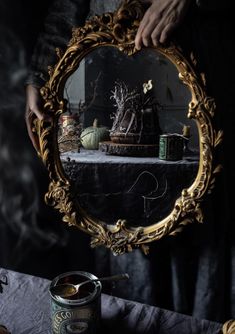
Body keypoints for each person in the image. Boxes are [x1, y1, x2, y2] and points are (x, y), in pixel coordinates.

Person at [24, 0, 234, 322]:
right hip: (107, 59)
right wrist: (39, 76)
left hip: (199, 81)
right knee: (128, 245)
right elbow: (65, 5)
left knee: (200, 238)